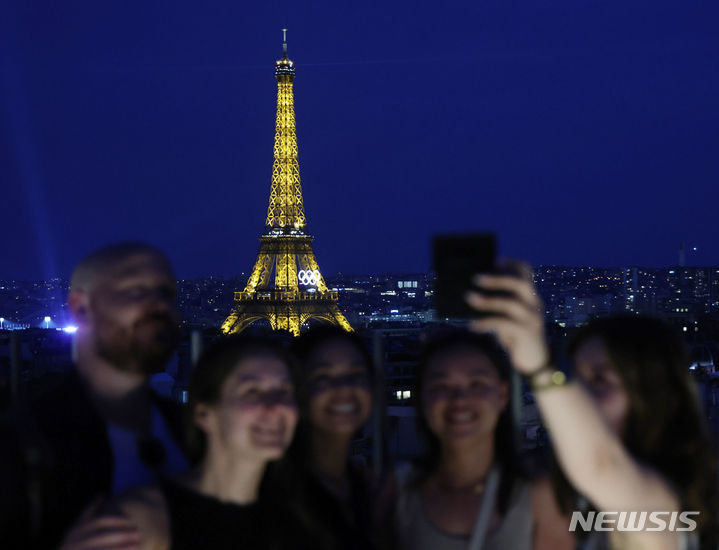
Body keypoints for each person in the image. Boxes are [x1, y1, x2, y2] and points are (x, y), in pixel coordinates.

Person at [467, 268, 719, 549]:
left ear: (653, 391)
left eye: (600, 380)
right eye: (577, 379)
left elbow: (601, 463)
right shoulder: (584, 502)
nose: (581, 396)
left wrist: (539, 368)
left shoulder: (660, 501)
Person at [0, 242, 189, 549]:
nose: (158, 305)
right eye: (136, 291)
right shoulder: (17, 447)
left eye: (167, 293)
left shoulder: (196, 430)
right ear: (81, 308)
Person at [108, 335, 301, 550]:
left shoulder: (300, 522)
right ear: (203, 413)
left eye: (284, 392)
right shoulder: (137, 525)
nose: (275, 405)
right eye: (252, 391)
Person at [393, 329, 547, 550]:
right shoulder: (395, 495)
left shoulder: (397, 494)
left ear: (503, 395)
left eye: (477, 384)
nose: (460, 399)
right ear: (421, 397)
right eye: (441, 386)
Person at [284, 324, 378, 550]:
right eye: (323, 377)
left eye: (356, 375)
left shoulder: (363, 487)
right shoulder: (277, 493)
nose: (343, 388)